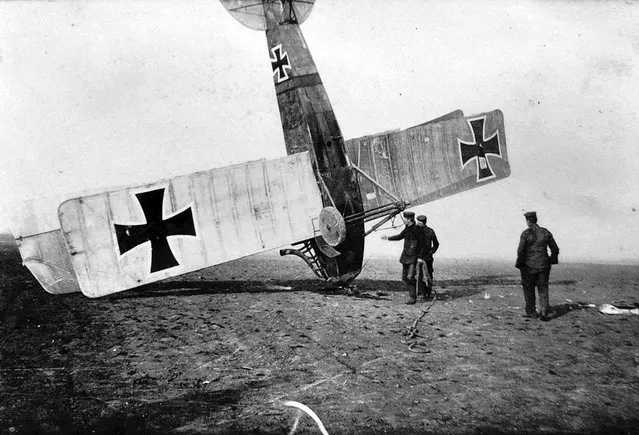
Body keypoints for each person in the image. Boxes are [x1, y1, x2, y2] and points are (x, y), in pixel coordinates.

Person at [515, 211, 560, 321]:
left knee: (528, 289)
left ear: (528, 221)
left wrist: (520, 264)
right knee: (543, 288)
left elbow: (520, 251)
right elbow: (555, 249)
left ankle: (531, 312)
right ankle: (544, 312)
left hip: (528, 266)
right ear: (536, 220)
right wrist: (551, 260)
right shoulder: (545, 232)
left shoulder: (526, 233)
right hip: (544, 265)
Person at [382, 211, 424, 304]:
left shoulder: (417, 230)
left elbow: (422, 245)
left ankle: (413, 297)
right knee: (404, 278)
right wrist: (388, 238)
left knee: (410, 277)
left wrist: (420, 257)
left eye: (404, 218)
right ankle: (418, 289)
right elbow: (400, 236)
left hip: (413, 257)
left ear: (409, 219)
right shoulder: (407, 229)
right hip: (405, 256)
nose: (403, 220)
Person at [416, 215, 439, 300]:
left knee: (428, 275)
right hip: (418, 257)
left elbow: (436, 244)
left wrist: (431, 252)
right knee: (418, 275)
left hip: (427, 258)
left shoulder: (430, 231)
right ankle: (422, 292)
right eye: (417, 221)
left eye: (419, 222)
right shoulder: (415, 231)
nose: (418, 223)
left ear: (424, 222)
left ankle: (428, 291)